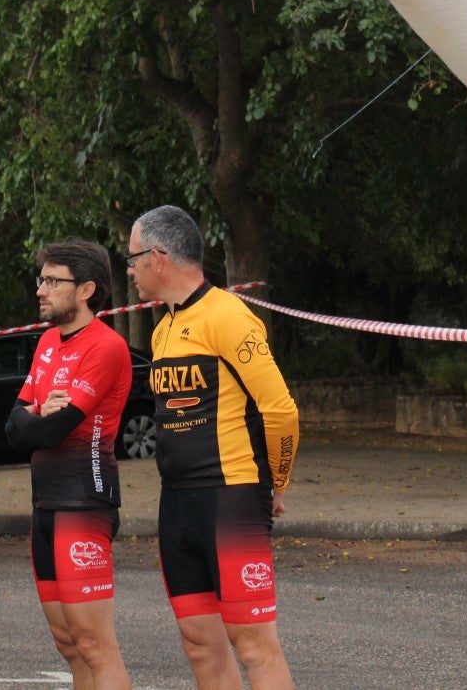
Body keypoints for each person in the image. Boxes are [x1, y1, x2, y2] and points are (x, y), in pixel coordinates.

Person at [126, 205, 300, 690]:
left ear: (158, 258)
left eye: (133, 258)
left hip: (231, 498)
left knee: (254, 647)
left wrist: (277, 483)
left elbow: (281, 411)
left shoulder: (229, 315)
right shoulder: (163, 329)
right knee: (200, 644)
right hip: (176, 503)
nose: (129, 269)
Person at [5, 241, 134, 690]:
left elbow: (50, 433)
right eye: (41, 279)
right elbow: (11, 429)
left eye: (52, 281)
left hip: (84, 500)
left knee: (95, 644)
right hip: (45, 503)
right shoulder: (45, 342)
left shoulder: (106, 346)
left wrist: (36, 418)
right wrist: (39, 413)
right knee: (68, 643)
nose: (40, 289)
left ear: (86, 290)